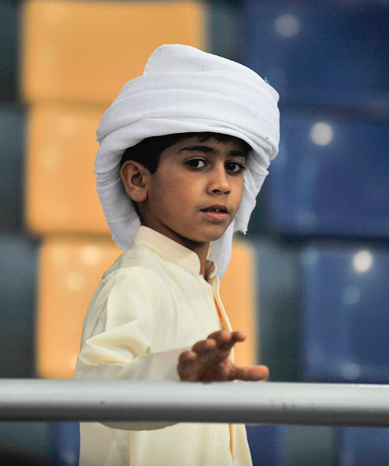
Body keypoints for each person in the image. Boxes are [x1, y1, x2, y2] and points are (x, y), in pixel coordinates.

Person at [73, 43, 280, 466]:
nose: (221, 184)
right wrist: (175, 375)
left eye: (234, 166)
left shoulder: (198, 282)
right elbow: (97, 388)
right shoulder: (136, 280)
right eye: (198, 163)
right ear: (137, 180)